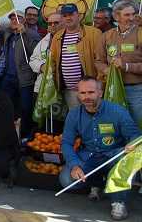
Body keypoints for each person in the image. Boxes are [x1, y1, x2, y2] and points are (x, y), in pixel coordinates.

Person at [59, 77, 140, 221]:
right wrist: (74, 165)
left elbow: (135, 135)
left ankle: (118, 201)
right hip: (89, 155)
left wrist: (132, 144)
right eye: (82, 93)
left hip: (115, 155)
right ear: (78, 94)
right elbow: (66, 142)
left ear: (100, 93)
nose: (87, 97)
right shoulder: (74, 114)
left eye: (91, 92)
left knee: (126, 161)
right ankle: (98, 184)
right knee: (66, 179)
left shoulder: (117, 111)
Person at [95, 0, 142, 129]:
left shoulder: (140, 33)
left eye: (133, 14)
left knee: (137, 125)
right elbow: (99, 61)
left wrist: (126, 66)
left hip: (136, 90)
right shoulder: (106, 36)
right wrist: (107, 71)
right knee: (116, 125)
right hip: (112, 88)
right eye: (127, 15)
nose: (131, 18)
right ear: (116, 16)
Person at [0, 10, 40, 137]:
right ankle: (9, 135)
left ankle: (25, 136)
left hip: (25, 78)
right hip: (8, 77)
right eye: (12, 18)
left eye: (18, 18)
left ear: (24, 20)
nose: (14, 20)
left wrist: (25, 33)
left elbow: (36, 53)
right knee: (7, 108)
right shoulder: (8, 34)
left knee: (25, 108)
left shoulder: (32, 34)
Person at [50, 3, 101, 109]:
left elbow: (101, 60)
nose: (68, 18)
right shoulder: (57, 37)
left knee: (94, 118)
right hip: (70, 92)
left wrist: (100, 85)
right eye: (64, 16)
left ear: (78, 15)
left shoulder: (94, 33)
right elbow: (53, 62)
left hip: (91, 90)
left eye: (71, 14)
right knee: (77, 119)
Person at [29, 12, 63, 95]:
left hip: (63, 86)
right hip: (43, 86)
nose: (52, 25)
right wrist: (41, 66)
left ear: (64, 23)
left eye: (56, 23)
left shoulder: (71, 39)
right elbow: (33, 60)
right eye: (50, 23)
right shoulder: (43, 41)